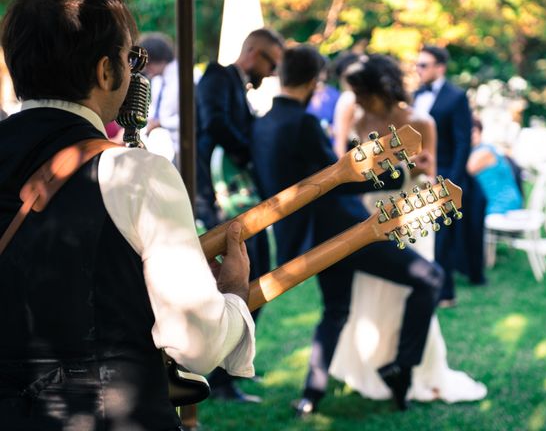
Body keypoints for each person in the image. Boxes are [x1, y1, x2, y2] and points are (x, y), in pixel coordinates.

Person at [0, 0, 255, 430]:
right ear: (105, 70)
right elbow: (195, 343)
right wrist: (234, 295)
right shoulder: (136, 172)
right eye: (130, 57)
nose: (134, 69)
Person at [251, 45, 443, 416]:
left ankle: (312, 394)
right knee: (431, 279)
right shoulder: (305, 124)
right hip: (346, 228)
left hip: (311, 233)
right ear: (313, 81)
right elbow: (337, 179)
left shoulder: (263, 122)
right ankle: (401, 368)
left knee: (336, 309)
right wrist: (403, 172)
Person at [329, 54, 486, 405]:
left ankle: (407, 368)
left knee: (409, 291)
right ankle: (369, 364)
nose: (356, 99)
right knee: (369, 289)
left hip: (408, 212)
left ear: (381, 89)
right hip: (365, 209)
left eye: (362, 92)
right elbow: (341, 167)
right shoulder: (354, 115)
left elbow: (428, 180)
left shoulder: (421, 122)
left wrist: (418, 168)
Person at [195, 27, 285, 402]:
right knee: (242, 281)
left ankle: (231, 367)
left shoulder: (238, 84)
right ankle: (220, 376)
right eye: (272, 63)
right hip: (219, 197)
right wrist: (249, 153)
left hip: (237, 198)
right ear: (253, 53)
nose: (272, 73)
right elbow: (215, 124)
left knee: (257, 279)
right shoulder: (217, 76)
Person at [413, 45, 486, 303]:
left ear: (439, 67)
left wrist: (451, 181)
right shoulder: (414, 96)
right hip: (414, 175)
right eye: (417, 64)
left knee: (441, 237)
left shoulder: (455, 97)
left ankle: (445, 293)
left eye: (423, 65)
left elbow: (462, 142)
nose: (418, 69)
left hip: (443, 175)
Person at [138, 32, 181, 164]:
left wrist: (161, 122)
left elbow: (192, 118)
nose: (145, 69)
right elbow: (155, 111)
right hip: (159, 146)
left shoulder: (184, 78)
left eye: (148, 64)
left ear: (157, 58)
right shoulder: (157, 81)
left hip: (180, 147)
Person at [467, 117, 523, 215]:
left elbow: (464, 172)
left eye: (473, 131)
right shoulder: (472, 152)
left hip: (502, 205)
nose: (470, 134)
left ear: (480, 131)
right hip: (489, 204)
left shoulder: (485, 152)